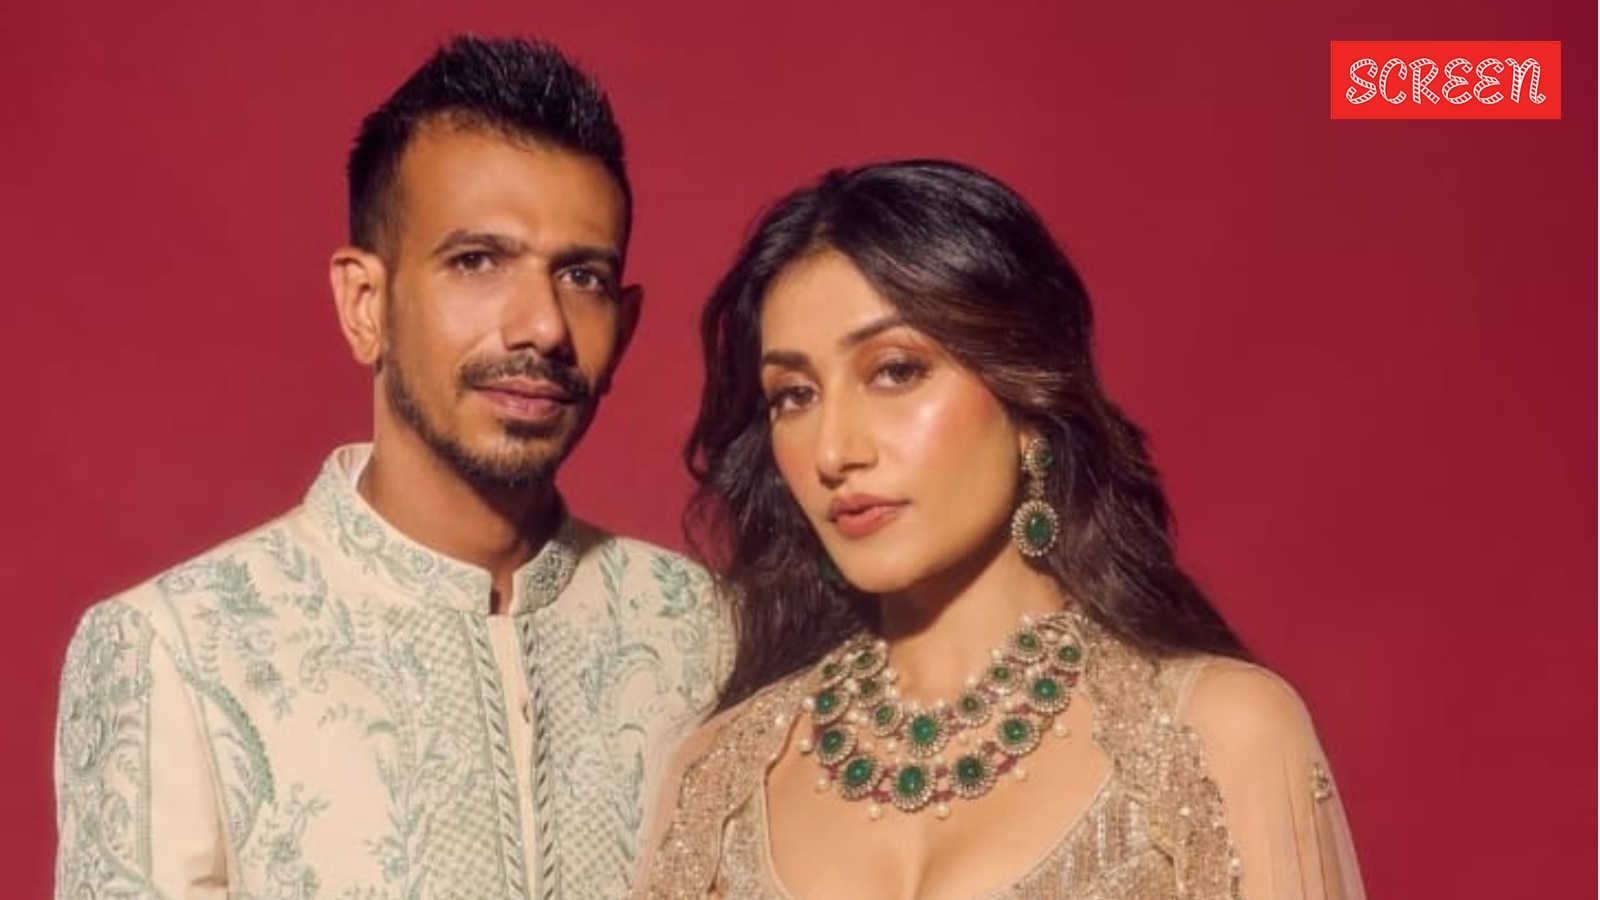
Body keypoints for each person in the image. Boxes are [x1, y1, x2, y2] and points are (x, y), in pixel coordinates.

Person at [53, 36, 728, 900]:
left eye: (582, 276)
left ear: (624, 330)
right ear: (365, 304)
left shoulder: (706, 634)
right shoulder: (177, 649)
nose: (542, 326)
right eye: (476, 262)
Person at [633, 159, 1365, 899]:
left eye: (895, 371)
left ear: (1027, 400)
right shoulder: (718, 782)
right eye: (794, 395)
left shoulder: (1216, 737)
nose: (833, 452)